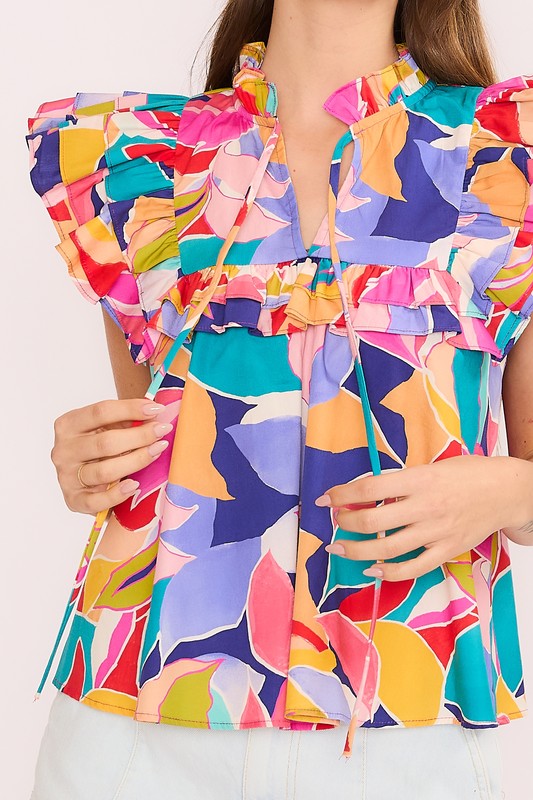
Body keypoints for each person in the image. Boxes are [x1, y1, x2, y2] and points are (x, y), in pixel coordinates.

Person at [25, 0, 533, 797]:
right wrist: (85, 462)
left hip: (404, 712)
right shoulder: (143, 158)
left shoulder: (505, 155)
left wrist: (506, 491)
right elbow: (144, 444)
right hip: (138, 718)